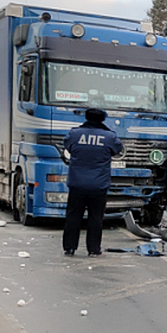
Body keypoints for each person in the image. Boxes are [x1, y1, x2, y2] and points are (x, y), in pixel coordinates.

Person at [62, 108, 124, 257]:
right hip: (98, 185)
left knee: (73, 216)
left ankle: (70, 247)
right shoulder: (109, 137)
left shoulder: (74, 134)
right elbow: (118, 149)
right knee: (95, 218)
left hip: (77, 184)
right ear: (102, 119)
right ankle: (93, 248)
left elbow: (67, 146)